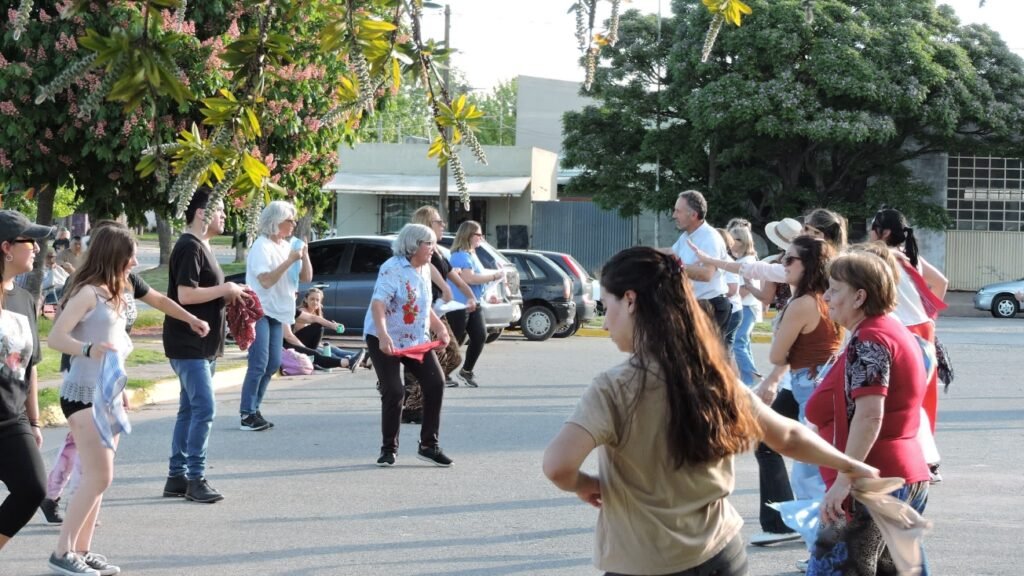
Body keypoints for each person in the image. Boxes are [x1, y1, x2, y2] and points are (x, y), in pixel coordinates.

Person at [542, 246, 878, 576]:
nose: (604, 324)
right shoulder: (712, 375)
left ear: (630, 300)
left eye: (606, 305)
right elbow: (787, 435)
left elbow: (558, 466)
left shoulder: (613, 387)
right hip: (721, 553)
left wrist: (585, 483)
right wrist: (850, 465)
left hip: (645, 563)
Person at [805, 252, 931, 575]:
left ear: (860, 296)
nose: (826, 297)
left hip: (872, 483)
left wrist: (844, 481)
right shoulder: (888, 329)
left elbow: (870, 415)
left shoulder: (871, 338)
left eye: (834, 289)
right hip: (898, 475)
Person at [46, 224, 137, 576]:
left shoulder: (114, 293)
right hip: (82, 395)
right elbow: (56, 338)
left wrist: (121, 387)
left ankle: (82, 550)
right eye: (129, 254)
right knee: (100, 476)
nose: (133, 261)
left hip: (107, 394)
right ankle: (62, 552)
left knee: (97, 477)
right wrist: (87, 349)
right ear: (113, 254)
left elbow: (115, 349)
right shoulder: (86, 293)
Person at [754, 236, 841, 550]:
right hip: (823, 380)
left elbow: (777, 355)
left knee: (809, 477)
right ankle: (823, 549)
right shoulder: (825, 298)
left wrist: (780, 334)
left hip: (808, 384)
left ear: (809, 265)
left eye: (790, 260)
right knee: (817, 470)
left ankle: (823, 552)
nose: (783, 264)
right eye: (783, 258)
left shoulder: (802, 303)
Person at [162, 190, 243, 504]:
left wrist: (231, 293)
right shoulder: (189, 246)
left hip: (203, 344)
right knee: (204, 409)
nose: (224, 215)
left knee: (189, 410)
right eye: (220, 210)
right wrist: (225, 288)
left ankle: (176, 477)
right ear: (200, 213)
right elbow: (185, 295)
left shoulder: (201, 246)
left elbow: (204, 292)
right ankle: (195, 478)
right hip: (188, 344)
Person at [365, 223, 453, 467]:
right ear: (414, 245)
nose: (434, 249)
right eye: (429, 244)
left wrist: (440, 328)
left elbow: (422, 307)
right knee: (394, 391)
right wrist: (383, 336)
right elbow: (378, 305)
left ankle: (428, 446)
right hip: (385, 338)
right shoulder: (392, 269)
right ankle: (388, 449)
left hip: (415, 339)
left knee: (435, 384)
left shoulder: (425, 268)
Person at [0, 211, 54, 552]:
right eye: (28, 241)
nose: (36, 247)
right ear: (6, 248)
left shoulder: (23, 299)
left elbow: (30, 366)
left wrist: (33, 420)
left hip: (12, 418)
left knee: (33, 488)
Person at [869, 208, 948, 439]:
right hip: (923, 327)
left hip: (899, 330)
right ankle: (926, 456)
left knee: (899, 397)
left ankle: (903, 449)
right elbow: (941, 283)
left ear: (883, 233)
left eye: (873, 229)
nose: (869, 233)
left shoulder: (880, 257)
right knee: (923, 395)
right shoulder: (910, 256)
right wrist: (929, 318)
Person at [239, 201, 311, 430]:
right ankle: (246, 413)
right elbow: (266, 280)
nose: (294, 224)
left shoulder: (286, 246)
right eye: (290, 220)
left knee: (273, 363)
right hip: (260, 309)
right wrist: (290, 260)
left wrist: (304, 255)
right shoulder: (262, 246)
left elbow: (307, 277)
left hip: (278, 312)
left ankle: (255, 408)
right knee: (259, 362)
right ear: (276, 222)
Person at [409, 206, 475, 402]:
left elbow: (452, 275)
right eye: (439, 222)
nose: (443, 225)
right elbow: (427, 267)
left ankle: (417, 392)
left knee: (453, 356)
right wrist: (444, 288)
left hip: (437, 309)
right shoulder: (420, 248)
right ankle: (412, 401)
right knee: (430, 360)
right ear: (428, 224)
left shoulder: (438, 250)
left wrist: (470, 296)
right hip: (422, 310)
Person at [446, 220, 502, 388]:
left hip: (474, 303)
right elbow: (468, 279)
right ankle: (442, 373)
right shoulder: (459, 255)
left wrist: (487, 295)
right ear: (469, 235)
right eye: (478, 234)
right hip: (459, 304)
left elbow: (476, 280)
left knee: (480, 336)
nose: (481, 238)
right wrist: (494, 276)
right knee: (455, 339)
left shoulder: (471, 255)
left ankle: (466, 371)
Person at [668, 190, 731, 335]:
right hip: (697, 305)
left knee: (703, 356)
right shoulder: (686, 236)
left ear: (694, 215)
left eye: (678, 211)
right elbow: (671, 254)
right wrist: (644, 255)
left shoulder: (710, 238)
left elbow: (706, 274)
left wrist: (676, 265)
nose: (674, 215)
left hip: (710, 307)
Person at [290, 287, 365, 370]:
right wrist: (332, 326)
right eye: (312, 299)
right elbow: (304, 338)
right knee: (329, 353)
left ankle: (363, 358)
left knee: (336, 350)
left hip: (314, 345)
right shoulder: (302, 312)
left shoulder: (317, 313)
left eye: (317, 300)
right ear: (305, 300)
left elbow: (315, 338)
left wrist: (335, 326)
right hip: (301, 345)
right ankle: (356, 361)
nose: (314, 302)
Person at [728, 225, 762, 386]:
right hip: (748, 307)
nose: (729, 242)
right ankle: (750, 377)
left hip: (746, 307)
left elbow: (746, 288)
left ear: (742, 241)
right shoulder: (744, 261)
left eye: (732, 239)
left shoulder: (745, 262)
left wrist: (732, 301)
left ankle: (750, 379)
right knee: (743, 343)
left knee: (738, 343)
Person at [715, 228, 743, 349]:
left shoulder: (727, 262)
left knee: (723, 348)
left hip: (731, 311)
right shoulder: (719, 260)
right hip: (727, 309)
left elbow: (732, 290)